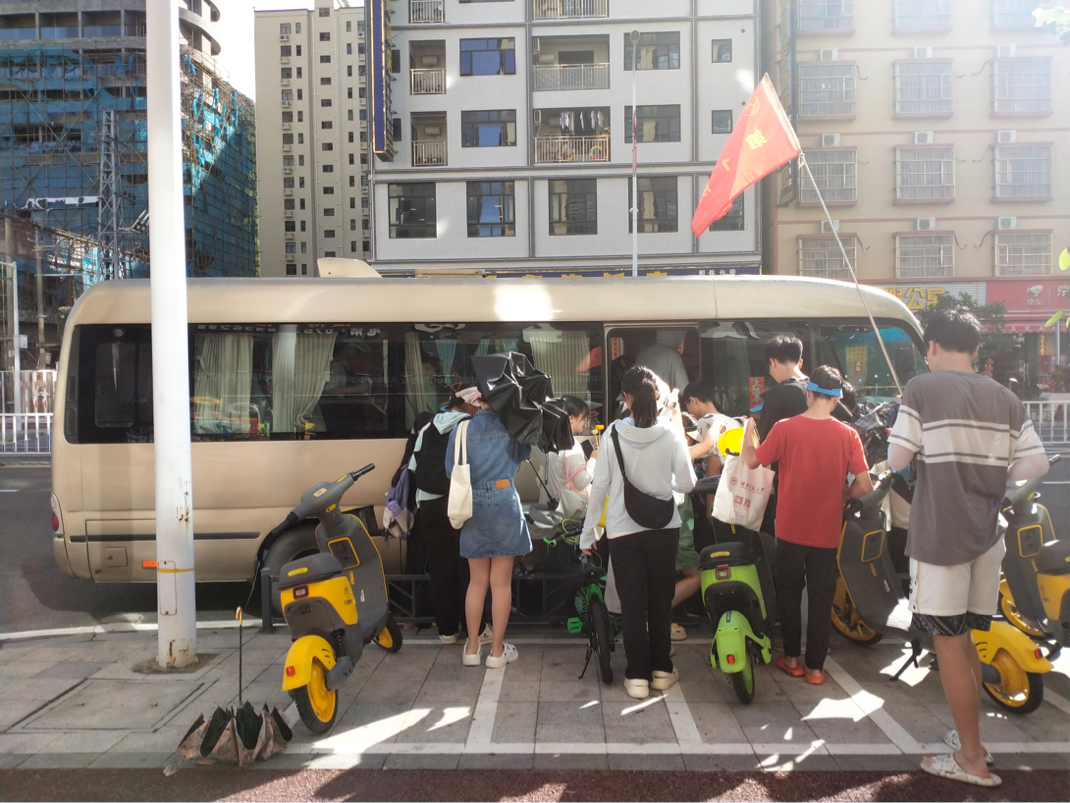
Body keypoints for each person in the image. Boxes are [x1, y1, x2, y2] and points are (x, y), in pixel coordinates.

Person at [887, 307, 1048, 788]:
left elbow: (896, 458)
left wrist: (908, 428)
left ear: (931, 346)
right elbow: (1035, 463)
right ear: (976, 350)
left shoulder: (921, 388)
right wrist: (990, 474)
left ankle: (971, 758)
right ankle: (970, 739)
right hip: (987, 534)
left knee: (950, 644)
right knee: (966, 641)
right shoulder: (1005, 397)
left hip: (941, 537)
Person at [742, 365, 873, 686]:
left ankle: (791, 658)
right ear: (836, 399)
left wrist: (747, 432)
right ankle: (815, 668)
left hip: (790, 528)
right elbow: (865, 486)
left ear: (809, 393)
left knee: (788, 591)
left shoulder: (785, 428)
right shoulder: (848, 435)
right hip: (827, 531)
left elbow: (752, 461)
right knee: (820, 596)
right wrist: (844, 493)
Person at [580, 367, 697, 700]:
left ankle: (636, 677)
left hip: (623, 532)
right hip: (664, 529)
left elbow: (599, 488)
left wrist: (588, 534)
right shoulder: (671, 433)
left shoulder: (613, 434)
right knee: (660, 601)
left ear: (626, 397)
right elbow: (687, 483)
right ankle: (661, 671)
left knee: (632, 604)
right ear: (655, 396)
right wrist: (664, 485)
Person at [446, 391, 532, 669]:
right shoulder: (512, 428)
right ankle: (496, 652)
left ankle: (472, 648)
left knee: (477, 582)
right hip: (505, 499)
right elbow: (524, 455)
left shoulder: (461, 430)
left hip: (473, 504)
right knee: (501, 583)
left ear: (478, 400)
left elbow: (450, 470)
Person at [410, 384, 491, 647]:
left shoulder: (427, 428)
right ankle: (475, 630)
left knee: (440, 568)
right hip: (462, 504)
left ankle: (446, 630)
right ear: (469, 404)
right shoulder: (471, 427)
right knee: (469, 569)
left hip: (429, 506)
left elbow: (414, 466)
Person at [545, 396, 599, 516]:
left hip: (551, 506)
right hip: (567, 511)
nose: (585, 422)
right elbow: (581, 482)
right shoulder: (572, 446)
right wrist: (593, 459)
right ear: (571, 418)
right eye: (583, 417)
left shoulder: (551, 441)